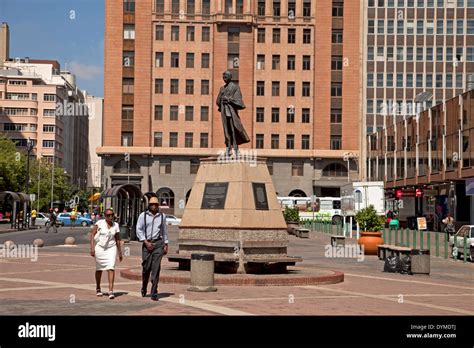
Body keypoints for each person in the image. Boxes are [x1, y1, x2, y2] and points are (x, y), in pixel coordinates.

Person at [136, 197, 169, 301]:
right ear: (149, 205)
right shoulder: (143, 216)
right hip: (147, 244)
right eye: (152, 204)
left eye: (156, 204)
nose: (154, 206)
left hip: (158, 244)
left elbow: (164, 230)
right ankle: (144, 286)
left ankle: (154, 291)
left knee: (156, 268)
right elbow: (139, 230)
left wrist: (166, 243)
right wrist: (145, 242)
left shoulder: (162, 216)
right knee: (146, 268)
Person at [90, 208, 122, 299]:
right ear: (105, 216)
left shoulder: (116, 225)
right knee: (99, 269)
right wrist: (92, 248)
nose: (110, 217)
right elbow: (92, 234)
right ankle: (98, 288)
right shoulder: (99, 223)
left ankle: (110, 290)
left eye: (112, 215)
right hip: (100, 248)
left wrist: (120, 252)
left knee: (111, 267)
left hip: (111, 248)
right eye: (108, 215)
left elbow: (118, 239)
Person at [216, 70, 250, 157]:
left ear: (230, 77)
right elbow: (218, 101)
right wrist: (221, 98)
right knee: (226, 130)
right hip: (224, 112)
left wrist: (230, 100)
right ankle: (228, 147)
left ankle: (235, 148)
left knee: (233, 129)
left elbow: (239, 101)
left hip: (231, 112)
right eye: (223, 77)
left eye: (226, 76)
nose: (224, 78)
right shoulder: (222, 89)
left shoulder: (235, 87)